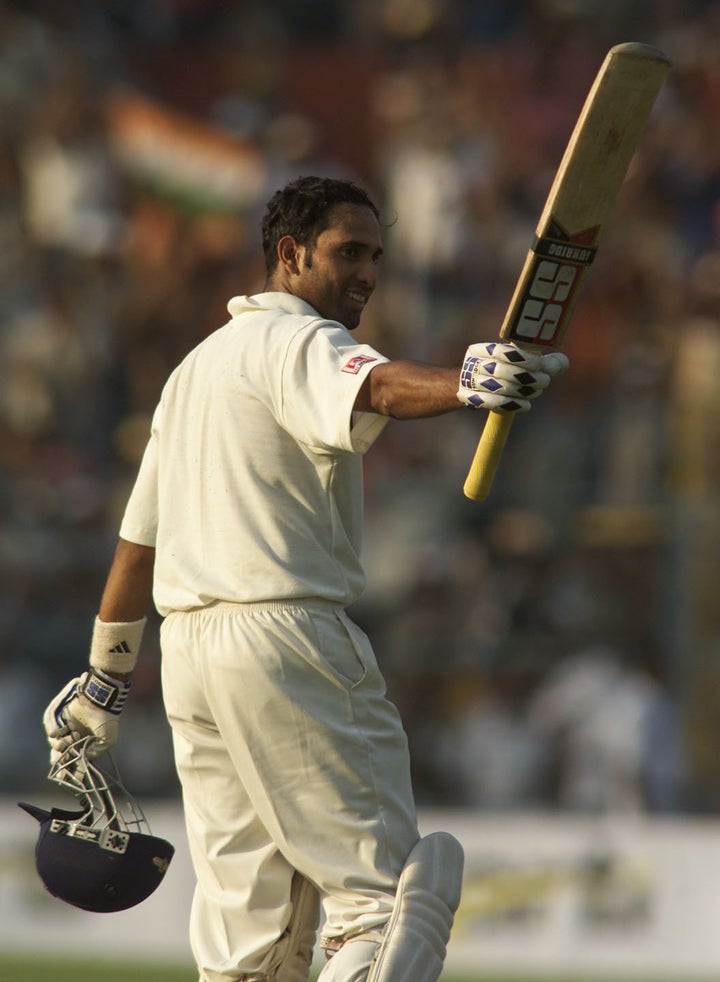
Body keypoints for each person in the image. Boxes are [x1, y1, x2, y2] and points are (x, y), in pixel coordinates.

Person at [43, 175, 568, 982]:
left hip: (191, 663)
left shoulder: (192, 372)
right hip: (284, 640)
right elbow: (380, 385)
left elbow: (136, 547)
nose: (367, 273)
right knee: (385, 901)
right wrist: (469, 383)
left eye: (376, 256)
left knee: (250, 950)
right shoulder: (297, 338)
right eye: (348, 252)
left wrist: (104, 681)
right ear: (289, 256)